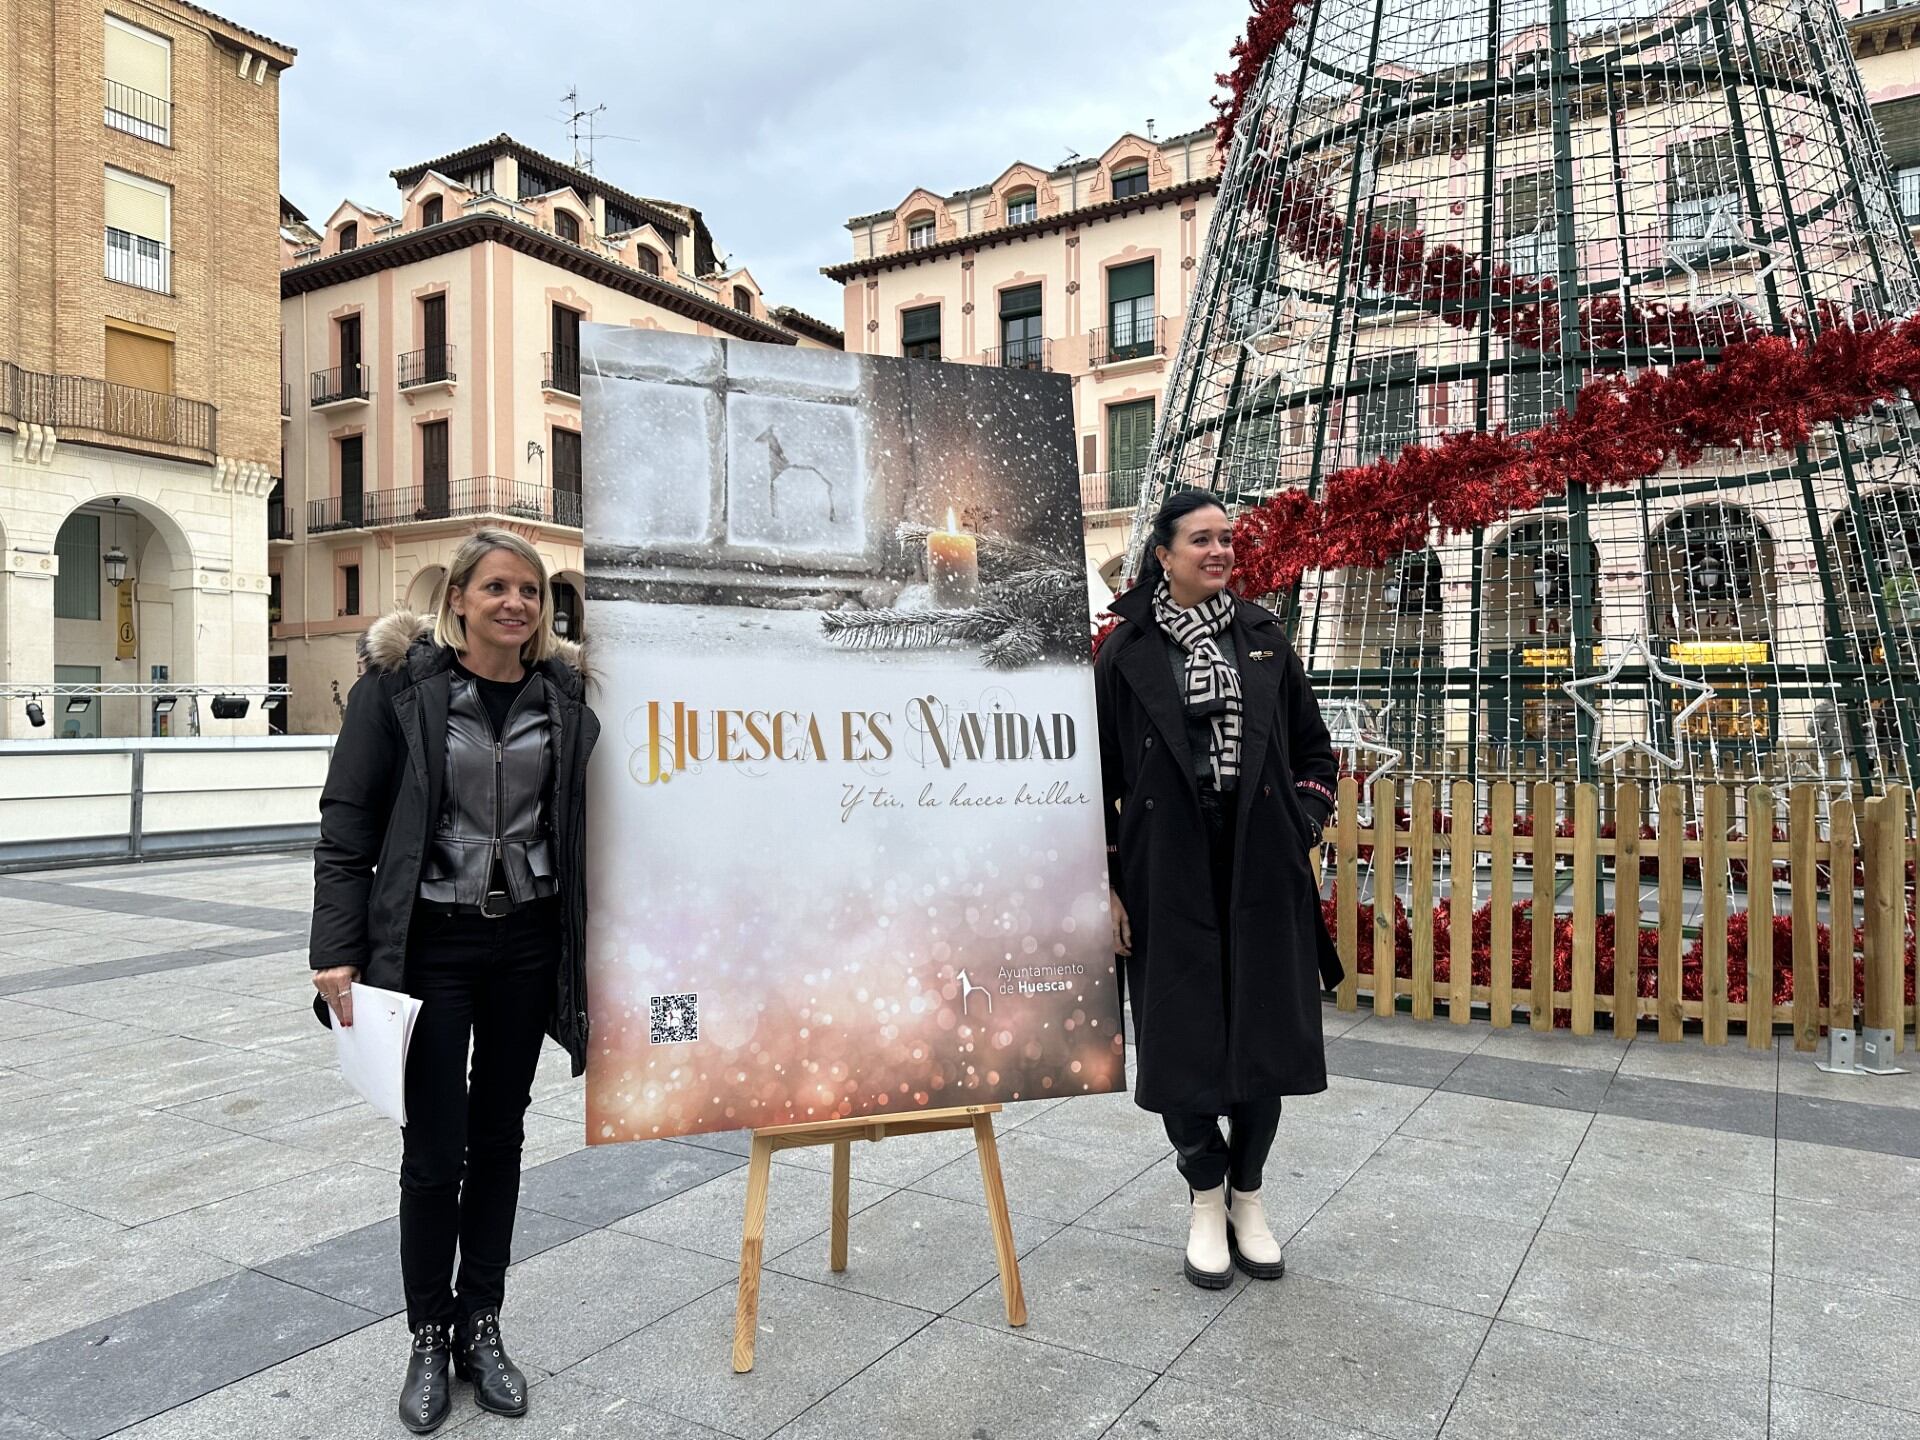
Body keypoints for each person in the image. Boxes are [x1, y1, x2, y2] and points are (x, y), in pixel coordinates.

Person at [308, 528, 600, 1433]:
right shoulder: (399, 692)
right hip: (430, 945)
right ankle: (428, 1335)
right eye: (498, 588)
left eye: (531, 592)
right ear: (460, 600)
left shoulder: (568, 697)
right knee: (434, 1151)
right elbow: (347, 823)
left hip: (527, 942)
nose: (518, 604)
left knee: (501, 1136)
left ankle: (483, 1323)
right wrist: (337, 950)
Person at [1094, 488, 1342, 1289]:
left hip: (1262, 866)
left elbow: (1315, 751)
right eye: (1201, 539)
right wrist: (1108, 884)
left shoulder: (1266, 639)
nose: (1220, 550)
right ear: (1162, 555)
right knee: (1181, 1039)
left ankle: (1250, 1195)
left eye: (1227, 538)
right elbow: (1092, 779)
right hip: (1166, 869)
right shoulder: (1124, 651)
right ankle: (1205, 1195)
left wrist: (1303, 819)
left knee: (1267, 1038)